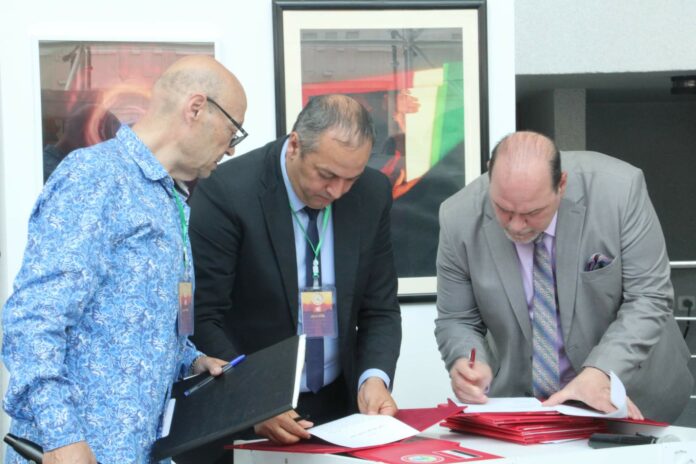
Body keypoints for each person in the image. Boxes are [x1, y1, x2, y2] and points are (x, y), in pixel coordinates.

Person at [2, 55, 248, 463]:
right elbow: (33, 319)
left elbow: (134, 326)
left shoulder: (170, 196)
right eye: (233, 129)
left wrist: (191, 360)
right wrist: (61, 436)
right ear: (196, 108)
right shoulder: (95, 177)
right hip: (79, 452)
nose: (232, 146)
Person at [188, 94, 402, 457]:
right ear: (295, 146)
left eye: (350, 178)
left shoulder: (372, 193)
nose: (337, 191)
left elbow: (379, 308)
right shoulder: (228, 191)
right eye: (326, 175)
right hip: (243, 416)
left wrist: (374, 378)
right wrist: (255, 400)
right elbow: (202, 316)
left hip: (336, 411)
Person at [435, 131, 693, 422]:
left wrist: (601, 371)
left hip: (633, 394)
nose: (516, 225)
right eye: (503, 210)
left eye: (533, 212)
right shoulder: (457, 217)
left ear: (562, 184)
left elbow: (649, 297)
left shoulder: (619, 191)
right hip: (526, 407)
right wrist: (467, 360)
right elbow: (457, 319)